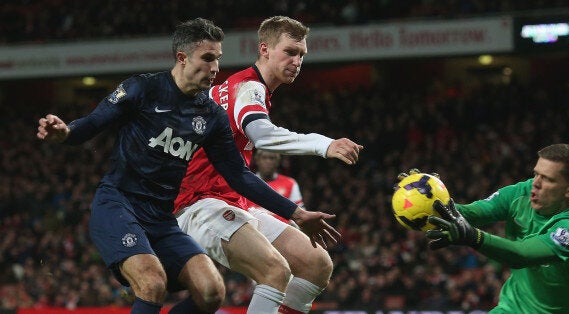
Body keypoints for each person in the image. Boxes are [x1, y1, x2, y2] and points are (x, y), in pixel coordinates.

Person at [36, 18, 339, 314]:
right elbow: (89, 126)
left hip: (162, 217)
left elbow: (239, 176)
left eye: (218, 59)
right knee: (152, 284)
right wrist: (65, 133)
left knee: (211, 292)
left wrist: (296, 213)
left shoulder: (211, 117)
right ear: (182, 58)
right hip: (120, 204)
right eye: (208, 58)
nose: (215, 68)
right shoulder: (142, 89)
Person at [174, 16, 362, 314]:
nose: (297, 61)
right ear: (265, 49)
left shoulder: (234, 85)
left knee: (316, 263)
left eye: (301, 54)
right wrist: (325, 144)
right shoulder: (249, 88)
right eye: (289, 52)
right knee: (275, 272)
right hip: (198, 203)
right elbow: (261, 134)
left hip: (231, 199)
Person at [421, 143, 569, 313]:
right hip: (515, 308)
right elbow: (472, 213)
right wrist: (428, 196)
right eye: (536, 174)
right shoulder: (521, 193)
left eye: (548, 179)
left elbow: (521, 255)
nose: (536, 183)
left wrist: (473, 237)